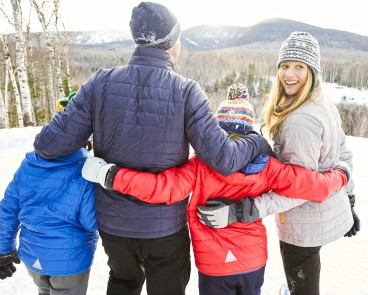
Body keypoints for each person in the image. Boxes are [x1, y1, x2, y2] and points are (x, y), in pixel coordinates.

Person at [33, 3, 269, 295]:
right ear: (171, 43)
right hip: (164, 227)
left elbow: (47, 145)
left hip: (114, 225)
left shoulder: (99, 84)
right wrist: (255, 141)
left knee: (123, 282)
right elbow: (222, 158)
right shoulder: (186, 91)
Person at [81, 83, 351, 295]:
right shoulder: (268, 166)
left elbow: (162, 188)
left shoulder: (200, 166)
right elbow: (311, 186)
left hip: (214, 265)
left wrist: (111, 174)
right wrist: (341, 175)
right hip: (253, 260)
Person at [197, 32, 361, 295]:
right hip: (320, 215)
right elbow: (344, 155)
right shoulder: (321, 102)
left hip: (302, 224)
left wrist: (241, 211)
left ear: (313, 71)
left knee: (303, 286)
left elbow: (298, 189)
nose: (289, 74)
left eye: (299, 67)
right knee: (306, 277)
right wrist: (349, 197)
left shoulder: (301, 120)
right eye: (285, 66)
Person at [0, 99, 97, 294]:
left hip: (33, 256)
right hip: (69, 262)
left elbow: (8, 210)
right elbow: (90, 222)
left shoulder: (28, 165)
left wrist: (3, 248)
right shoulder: (86, 170)